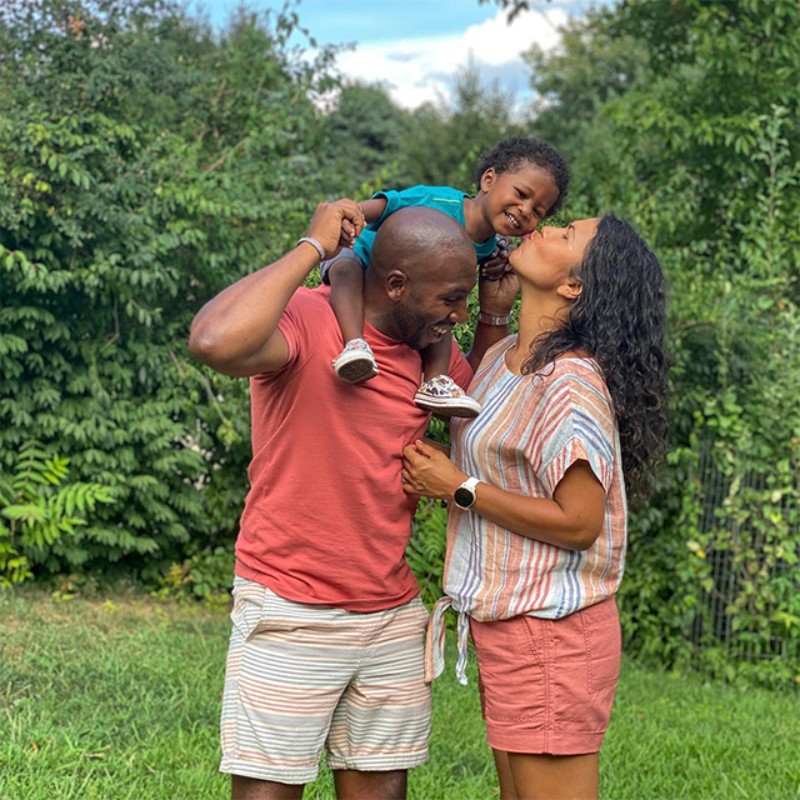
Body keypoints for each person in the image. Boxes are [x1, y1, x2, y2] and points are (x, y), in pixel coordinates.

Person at [187, 199, 520, 800]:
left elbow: (487, 406)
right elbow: (212, 340)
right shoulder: (311, 321)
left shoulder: (429, 356)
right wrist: (312, 247)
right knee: (269, 790)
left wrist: (494, 315)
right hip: (292, 605)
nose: (460, 314)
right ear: (396, 285)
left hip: (390, 612)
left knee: (384, 788)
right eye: (449, 299)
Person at [401, 215, 669, 800]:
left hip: (553, 631)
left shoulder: (568, 383)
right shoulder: (505, 361)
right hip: (513, 623)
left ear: (573, 285)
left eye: (565, 232)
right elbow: (486, 443)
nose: (544, 226)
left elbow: (579, 522)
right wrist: (493, 311)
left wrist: (457, 487)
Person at [324, 136, 570, 419]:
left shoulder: (493, 246)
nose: (525, 210)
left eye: (538, 211)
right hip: (362, 254)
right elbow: (388, 204)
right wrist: (348, 217)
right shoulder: (440, 200)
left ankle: (435, 381)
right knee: (344, 268)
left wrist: (498, 264)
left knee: (445, 317)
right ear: (488, 180)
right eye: (522, 194)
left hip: (408, 298)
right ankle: (354, 343)